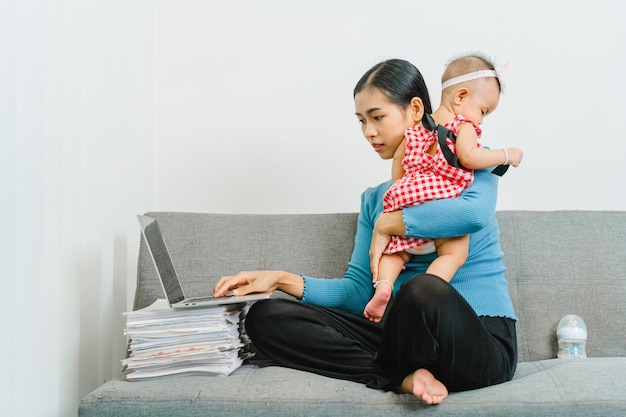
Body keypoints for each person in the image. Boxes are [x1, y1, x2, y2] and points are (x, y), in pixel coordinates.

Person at [214, 58, 518, 405]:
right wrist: (280, 279)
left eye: (377, 117)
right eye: (361, 121)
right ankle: (406, 378)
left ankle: (393, 371)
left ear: (415, 110)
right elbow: (359, 292)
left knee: (423, 291)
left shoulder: (469, 162)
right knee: (267, 317)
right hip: (403, 341)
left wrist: (391, 224)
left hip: (477, 341)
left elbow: (474, 214)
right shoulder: (376, 200)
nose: (368, 132)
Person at [363, 54, 524, 322]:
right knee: (454, 253)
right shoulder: (463, 127)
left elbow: (398, 171)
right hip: (441, 202)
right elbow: (470, 157)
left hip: (405, 200)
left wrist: (400, 201)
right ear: (461, 96)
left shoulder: (412, 132)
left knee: (396, 252)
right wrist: (506, 155)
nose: (481, 120)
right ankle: (424, 295)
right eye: (483, 111)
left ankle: (384, 286)